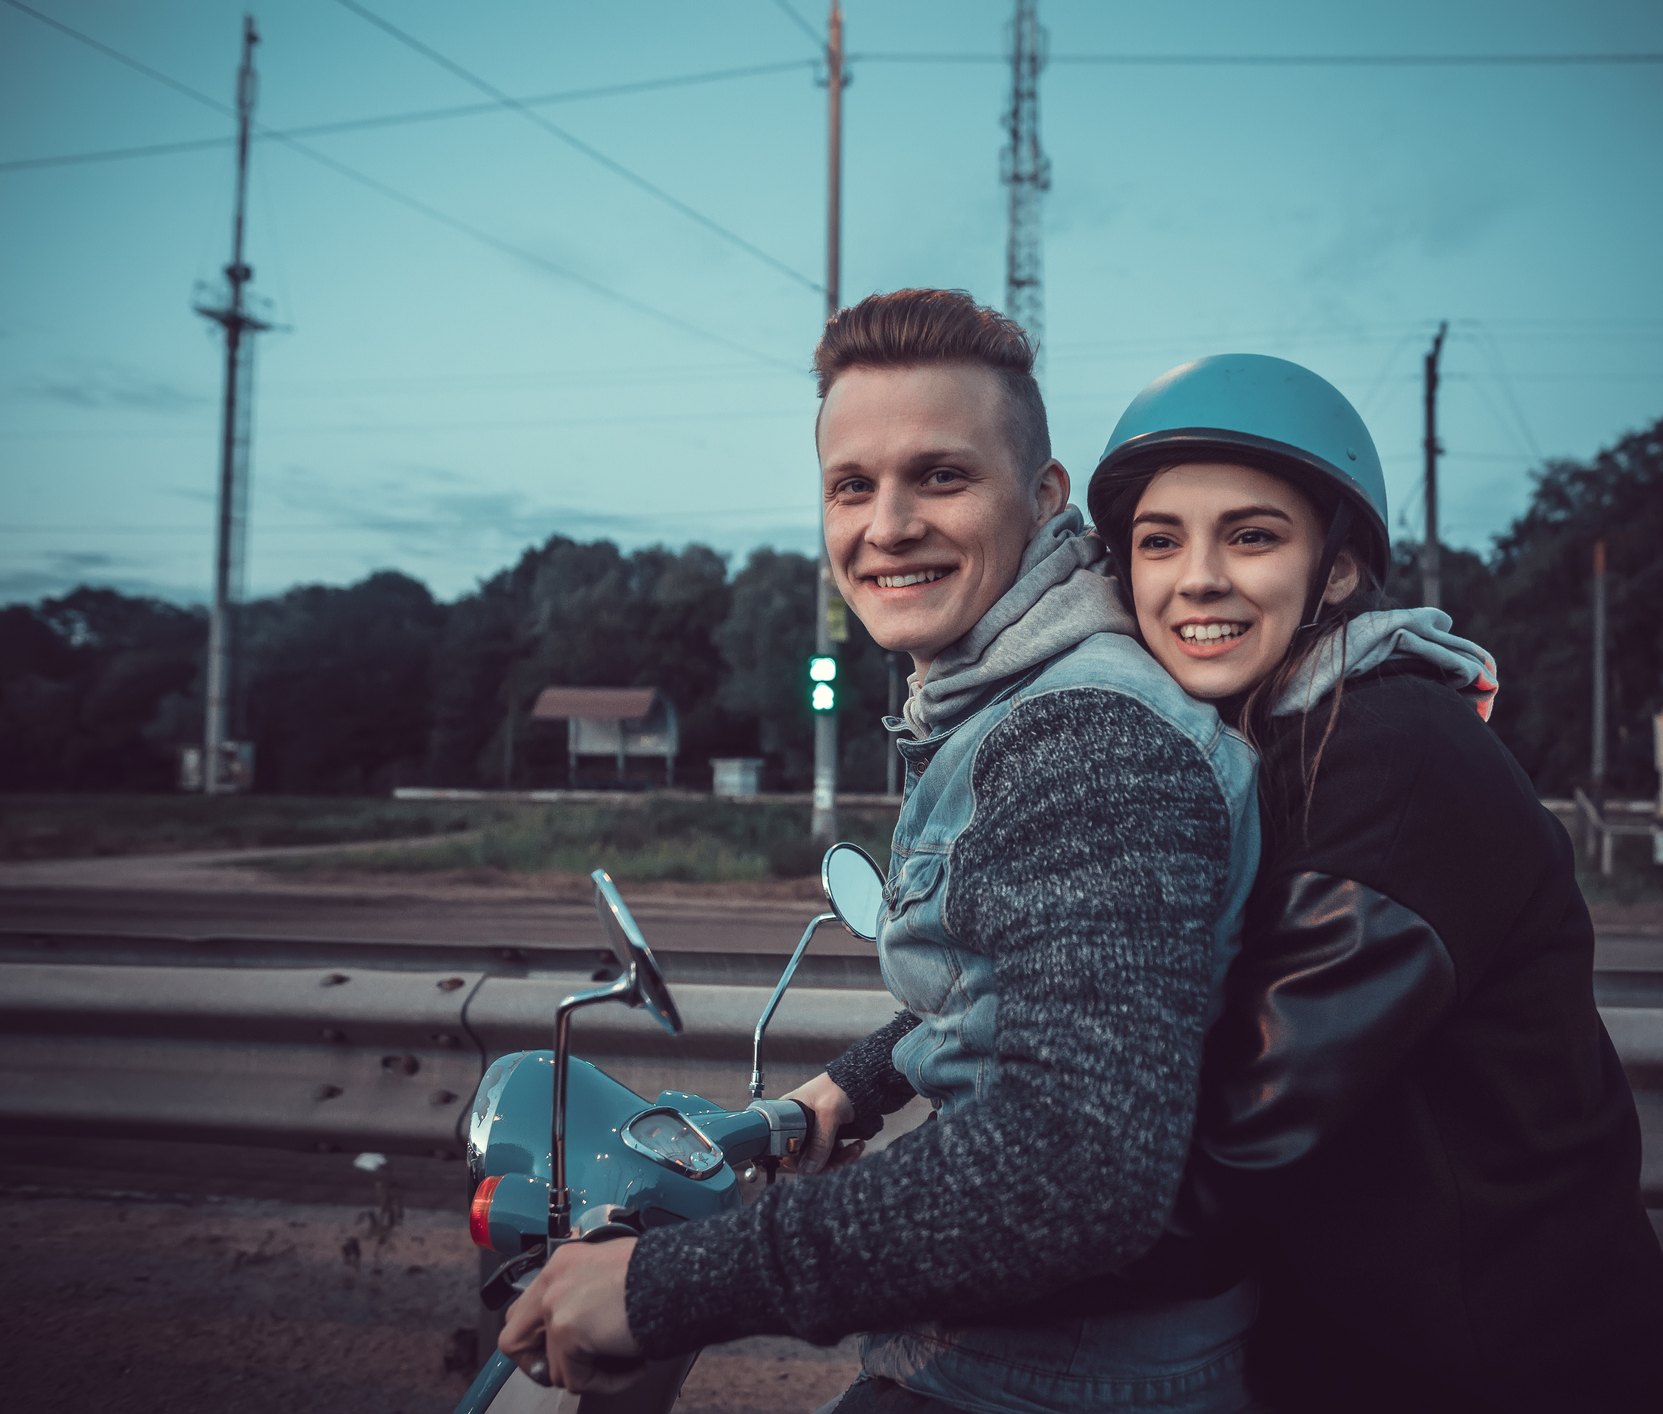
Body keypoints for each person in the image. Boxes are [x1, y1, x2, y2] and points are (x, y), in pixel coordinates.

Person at [500, 291, 1264, 1411]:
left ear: (1044, 495)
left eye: (940, 476)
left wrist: (665, 1287)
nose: (888, 525)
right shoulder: (1009, 701)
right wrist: (853, 1087)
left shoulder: (1083, 736)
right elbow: (1034, 977)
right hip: (1017, 1351)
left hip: (1053, 1380)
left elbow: (1072, 1163)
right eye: (851, 486)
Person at [1084, 354, 1663, 1413]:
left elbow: (1246, 1147)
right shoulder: (1260, 743)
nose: (1198, 578)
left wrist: (948, 1254)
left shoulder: (1384, 751)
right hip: (1365, 1354)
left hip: (1499, 1377)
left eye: (1252, 535)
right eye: (1159, 540)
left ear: (1335, 571)